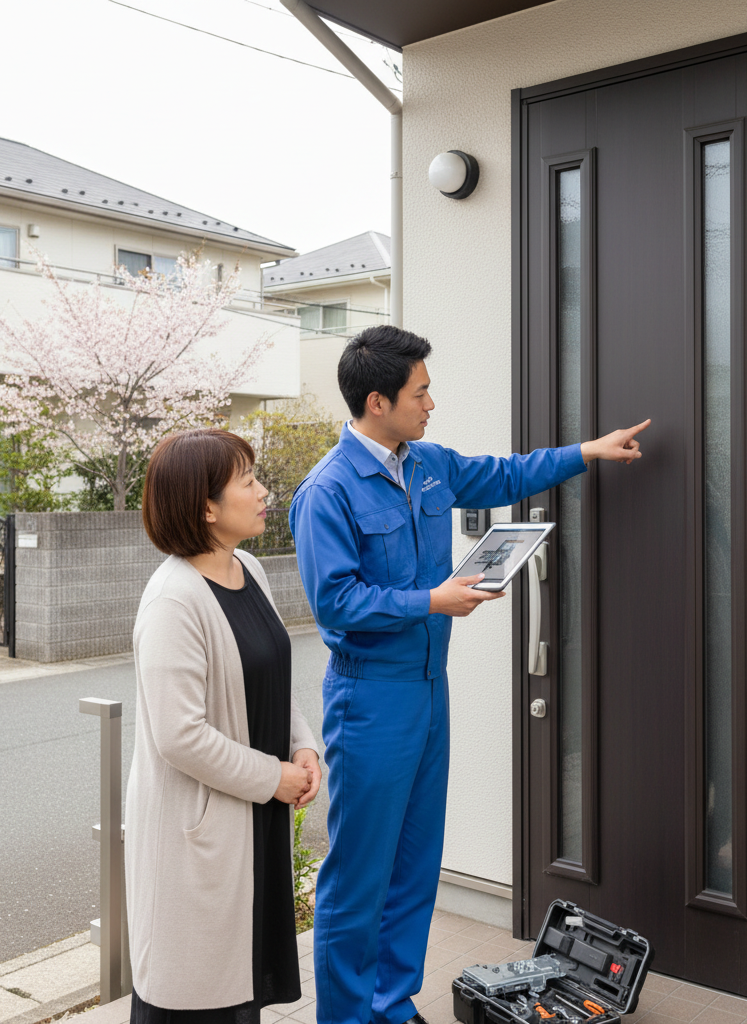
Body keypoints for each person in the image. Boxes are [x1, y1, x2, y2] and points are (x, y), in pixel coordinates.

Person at [289, 326, 650, 1024]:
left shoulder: (425, 464)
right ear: (376, 402)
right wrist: (432, 599)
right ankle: (346, 1017)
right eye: (419, 393)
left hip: (430, 690)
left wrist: (589, 451)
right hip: (370, 697)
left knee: (415, 868)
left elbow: (506, 474)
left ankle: (392, 1006)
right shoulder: (326, 490)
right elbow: (335, 603)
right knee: (359, 876)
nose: (431, 403)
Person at [126, 428, 323, 1024]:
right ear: (207, 506)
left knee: (240, 991)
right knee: (195, 998)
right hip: (203, 833)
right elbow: (179, 735)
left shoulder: (250, 569)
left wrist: (303, 747)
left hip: (255, 816)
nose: (264, 491)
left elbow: (267, 673)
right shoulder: (174, 600)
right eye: (249, 481)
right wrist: (275, 777)